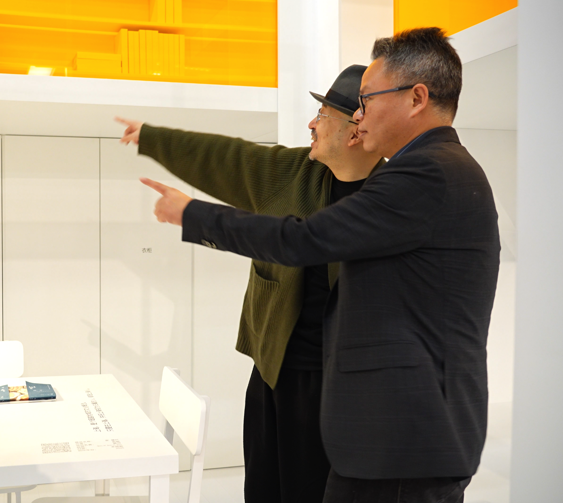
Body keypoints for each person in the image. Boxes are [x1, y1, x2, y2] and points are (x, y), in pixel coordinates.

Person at [141, 27, 500, 503]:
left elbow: (305, 239)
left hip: (402, 438)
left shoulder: (426, 173)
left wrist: (191, 214)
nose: (360, 114)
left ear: (416, 98)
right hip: (383, 427)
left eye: (367, 101)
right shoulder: (434, 168)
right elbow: (236, 163)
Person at [118, 64, 384, 503]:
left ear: (356, 131)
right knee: (263, 488)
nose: (312, 123)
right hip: (272, 370)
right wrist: (154, 138)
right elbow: (229, 158)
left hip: (343, 386)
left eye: (323, 116)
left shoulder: (390, 194)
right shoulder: (293, 171)